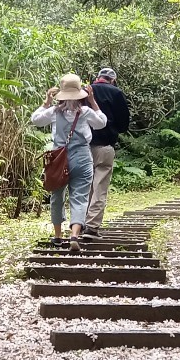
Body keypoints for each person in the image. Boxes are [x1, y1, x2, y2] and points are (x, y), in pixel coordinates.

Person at [31, 74, 107, 253]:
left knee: (57, 196)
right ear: (81, 93)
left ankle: (58, 237)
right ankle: (74, 235)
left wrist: (46, 102)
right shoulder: (86, 112)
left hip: (58, 158)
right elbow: (102, 123)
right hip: (82, 157)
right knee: (79, 197)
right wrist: (93, 101)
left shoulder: (55, 112)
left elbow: (35, 119)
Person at [84, 67, 131, 236]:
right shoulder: (116, 93)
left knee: (84, 187)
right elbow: (124, 123)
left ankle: (79, 223)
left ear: (97, 78)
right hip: (105, 146)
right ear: (113, 80)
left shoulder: (85, 91)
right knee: (100, 186)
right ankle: (92, 226)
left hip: (83, 147)